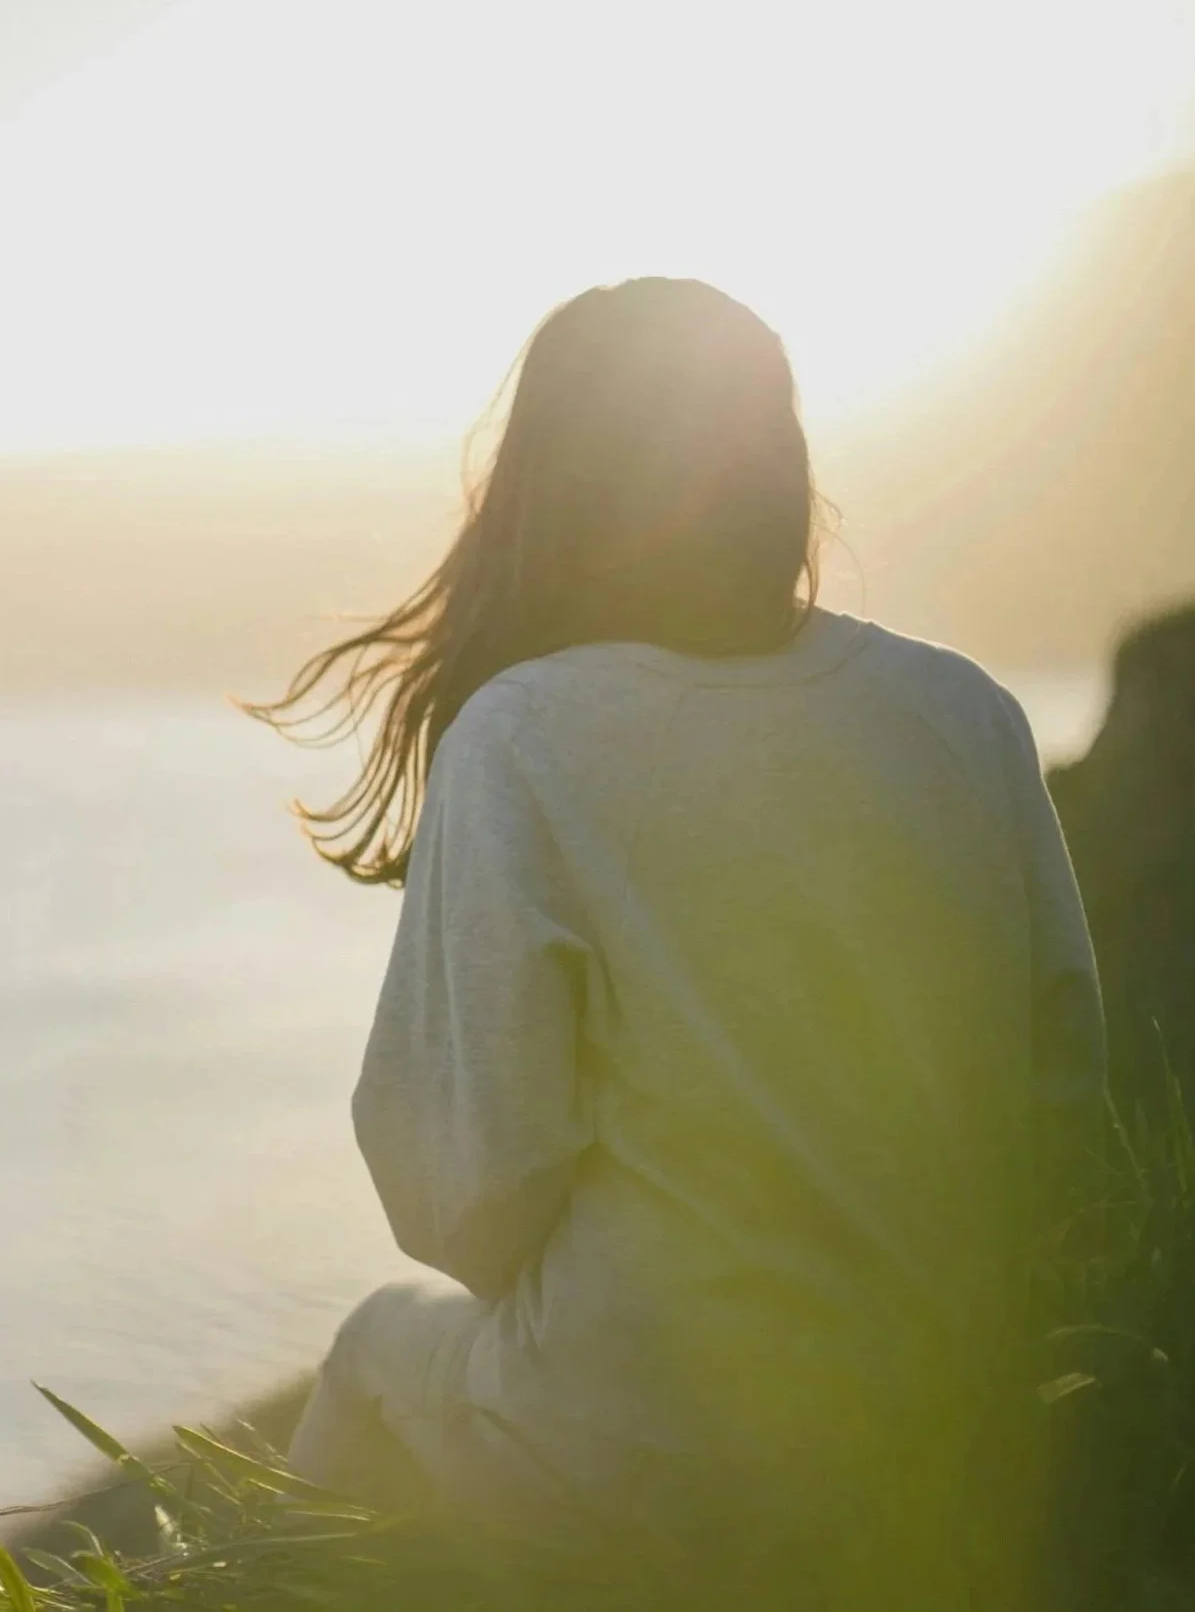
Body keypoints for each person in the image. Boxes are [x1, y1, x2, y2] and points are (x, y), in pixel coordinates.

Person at [248, 278, 1107, 1604]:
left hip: (653, 1445)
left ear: (547, 482)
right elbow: (1059, 1098)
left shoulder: (527, 734)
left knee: (374, 1349)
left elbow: (465, 1192)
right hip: (945, 1419)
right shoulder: (962, 710)